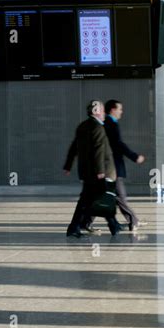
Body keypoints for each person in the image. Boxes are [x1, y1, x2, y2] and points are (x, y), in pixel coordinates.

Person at [63, 100, 123, 237]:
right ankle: (111, 225)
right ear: (96, 112)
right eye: (101, 111)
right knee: (101, 198)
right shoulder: (97, 128)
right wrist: (100, 171)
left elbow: (74, 147)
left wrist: (68, 165)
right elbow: (98, 151)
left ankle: (111, 225)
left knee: (90, 199)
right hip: (98, 172)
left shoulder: (82, 126)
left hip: (87, 172)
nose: (104, 114)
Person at [104, 100, 147, 231]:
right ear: (112, 110)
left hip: (112, 165)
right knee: (120, 195)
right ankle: (133, 221)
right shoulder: (110, 124)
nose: (121, 112)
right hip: (113, 165)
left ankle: (85, 222)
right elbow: (118, 144)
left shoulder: (110, 123)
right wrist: (135, 156)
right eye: (119, 109)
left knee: (110, 195)